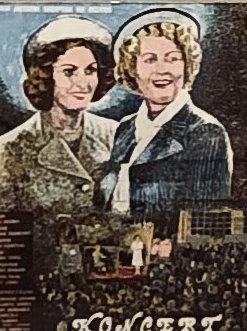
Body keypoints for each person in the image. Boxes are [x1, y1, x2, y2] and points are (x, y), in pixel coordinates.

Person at [99, 11, 235, 215]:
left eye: (172, 59)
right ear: (132, 69)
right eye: (150, 60)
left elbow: (203, 220)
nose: (162, 70)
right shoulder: (125, 128)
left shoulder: (205, 132)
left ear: (187, 66)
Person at [0, 15, 112, 223]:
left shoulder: (116, 134)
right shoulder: (14, 146)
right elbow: (0, 226)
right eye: (69, 72)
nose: (82, 83)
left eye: (91, 70)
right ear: (45, 77)